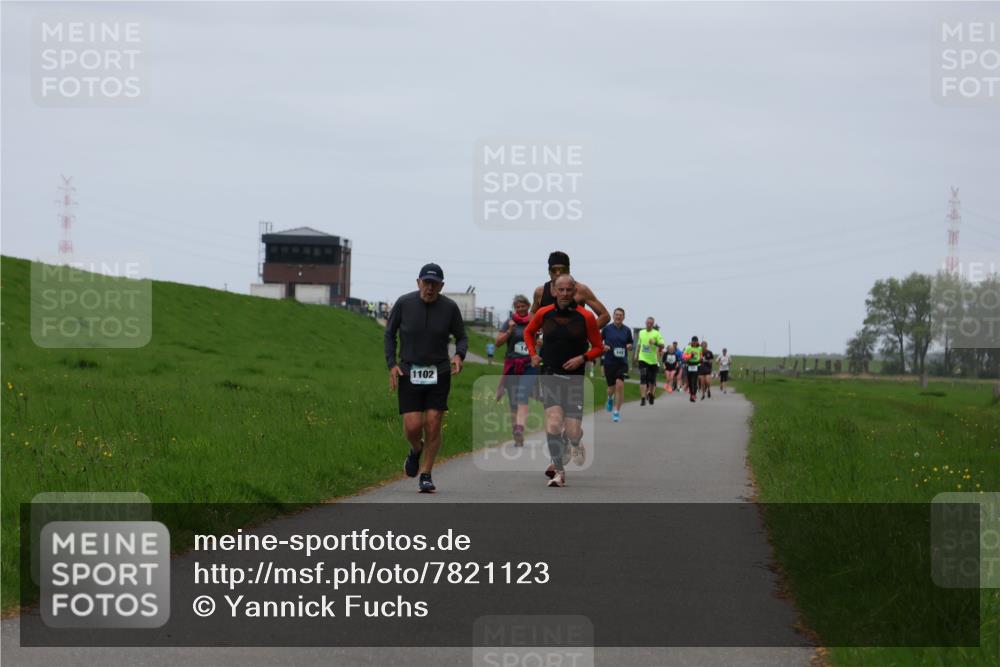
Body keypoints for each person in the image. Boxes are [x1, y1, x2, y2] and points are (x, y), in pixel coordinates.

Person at [384, 263, 467, 493]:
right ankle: (415, 449)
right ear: (418, 282)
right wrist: (391, 364)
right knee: (413, 426)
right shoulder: (404, 303)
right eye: (426, 282)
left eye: (435, 284)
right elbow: (389, 334)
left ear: (442, 286)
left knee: (433, 423)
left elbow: (461, 337)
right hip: (409, 371)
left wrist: (459, 355)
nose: (429, 288)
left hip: (439, 372)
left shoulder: (450, 308)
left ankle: (426, 474)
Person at [524, 274, 604, 488]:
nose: (565, 294)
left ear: (574, 290)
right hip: (550, 373)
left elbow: (598, 347)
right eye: (561, 290)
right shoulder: (544, 313)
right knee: (553, 421)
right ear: (554, 292)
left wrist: (582, 358)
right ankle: (559, 471)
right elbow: (528, 332)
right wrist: (533, 353)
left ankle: (575, 441)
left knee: (571, 430)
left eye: (569, 290)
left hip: (575, 378)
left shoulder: (585, 317)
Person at [495, 295, 537, 446]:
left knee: (522, 395)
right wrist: (509, 331)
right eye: (518, 307)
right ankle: (516, 433)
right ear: (515, 308)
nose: (521, 309)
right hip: (513, 365)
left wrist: (539, 342)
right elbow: (498, 343)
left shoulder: (534, 321)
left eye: (523, 306)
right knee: (513, 402)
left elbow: (543, 340)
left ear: (528, 306)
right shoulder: (509, 322)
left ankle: (520, 428)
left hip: (529, 365)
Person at [531, 251, 610, 328]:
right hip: (550, 341)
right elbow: (532, 313)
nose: (558, 273)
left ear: (568, 271)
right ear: (549, 272)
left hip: (576, 340)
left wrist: (586, 333)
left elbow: (605, 316)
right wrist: (537, 330)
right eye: (554, 270)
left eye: (562, 270)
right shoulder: (540, 292)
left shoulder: (581, 290)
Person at [601, 307, 633, 422]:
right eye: (616, 314)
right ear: (613, 316)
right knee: (611, 388)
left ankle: (616, 412)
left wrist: (629, 346)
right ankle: (610, 398)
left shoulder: (627, 330)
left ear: (623, 317)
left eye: (620, 315)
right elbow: (598, 341)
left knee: (619, 385)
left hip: (622, 363)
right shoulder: (607, 329)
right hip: (609, 362)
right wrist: (603, 347)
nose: (618, 316)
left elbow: (630, 343)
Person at [635, 317, 665, 406]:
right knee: (643, 377)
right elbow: (639, 344)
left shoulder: (657, 334)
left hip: (653, 361)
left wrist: (655, 342)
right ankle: (643, 398)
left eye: (651, 323)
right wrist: (636, 354)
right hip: (642, 358)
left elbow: (662, 346)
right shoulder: (641, 332)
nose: (649, 325)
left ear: (653, 324)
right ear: (645, 323)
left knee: (652, 381)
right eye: (647, 323)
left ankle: (651, 394)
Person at [681, 336, 703, 403]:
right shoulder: (688, 348)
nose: (694, 343)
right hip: (689, 365)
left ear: (697, 342)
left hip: (696, 365)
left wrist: (701, 359)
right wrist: (690, 356)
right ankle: (691, 395)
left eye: (696, 341)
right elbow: (683, 356)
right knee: (690, 381)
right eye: (693, 341)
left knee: (694, 380)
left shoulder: (700, 348)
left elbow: (701, 355)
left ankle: (693, 394)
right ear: (691, 342)